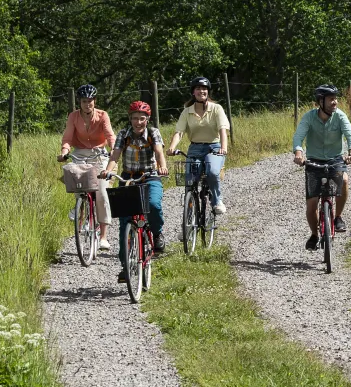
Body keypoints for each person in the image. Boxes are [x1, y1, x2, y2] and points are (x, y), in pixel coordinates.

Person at [101, 100, 170, 277]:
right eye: (134, 118)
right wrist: (108, 171)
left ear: (147, 119)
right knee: (125, 222)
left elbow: (159, 152)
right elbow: (115, 156)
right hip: (128, 178)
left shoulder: (153, 133)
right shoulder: (124, 134)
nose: (138, 122)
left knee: (153, 204)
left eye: (142, 119)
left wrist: (162, 167)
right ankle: (126, 266)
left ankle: (157, 234)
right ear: (130, 119)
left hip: (149, 176)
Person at [291, 84, 351, 250]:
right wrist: (298, 153)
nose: (335, 102)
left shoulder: (340, 116)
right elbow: (298, 137)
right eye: (331, 99)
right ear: (321, 101)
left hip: (335, 159)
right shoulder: (309, 117)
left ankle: (338, 217)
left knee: (345, 180)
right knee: (312, 203)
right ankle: (314, 234)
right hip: (313, 160)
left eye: (335, 98)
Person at [58, 84, 114, 251]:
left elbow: (110, 135)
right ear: (79, 102)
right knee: (76, 182)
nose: (87, 104)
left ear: (94, 101)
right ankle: (79, 207)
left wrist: (114, 150)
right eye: (84, 101)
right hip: (80, 154)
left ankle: (103, 237)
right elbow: (67, 137)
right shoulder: (73, 117)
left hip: (99, 154)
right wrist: (64, 152)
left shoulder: (103, 115)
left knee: (101, 192)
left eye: (90, 101)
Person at [167, 76, 230, 214]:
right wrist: (172, 147)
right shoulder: (187, 111)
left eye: (204, 88)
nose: (201, 91)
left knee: (212, 172)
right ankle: (188, 221)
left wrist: (223, 148)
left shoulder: (216, 109)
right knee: (189, 180)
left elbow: (222, 130)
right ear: (193, 92)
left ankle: (217, 201)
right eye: (198, 88)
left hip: (214, 147)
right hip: (195, 148)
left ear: (208, 92)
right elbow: (179, 132)